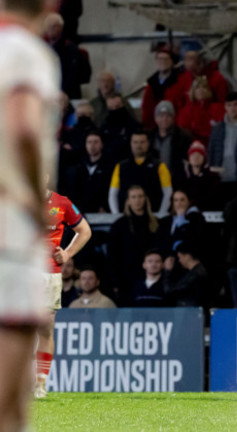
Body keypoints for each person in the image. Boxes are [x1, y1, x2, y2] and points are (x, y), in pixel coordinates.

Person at [0, 1, 61, 423]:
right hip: (9, 230)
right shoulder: (26, 51)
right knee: (10, 399)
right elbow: (23, 127)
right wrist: (31, 197)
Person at [35, 182, 92, 399]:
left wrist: (67, 254)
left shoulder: (62, 203)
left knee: (46, 328)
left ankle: (40, 383)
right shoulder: (16, 198)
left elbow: (84, 230)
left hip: (49, 273)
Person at [107, 186, 159, 304]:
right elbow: (112, 256)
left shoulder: (156, 223)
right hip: (126, 281)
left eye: (140, 196)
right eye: (133, 197)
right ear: (128, 201)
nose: (137, 200)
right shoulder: (119, 225)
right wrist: (115, 281)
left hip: (153, 278)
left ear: (145, 199)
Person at [108, 131, 173, 214]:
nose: (138, 145)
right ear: (131, 144)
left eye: (142, 142)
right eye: (135, 142)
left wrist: (161, 214)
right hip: (126, 216)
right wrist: (116, 214)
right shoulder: (121, 166)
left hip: (152, 215)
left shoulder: (160, 166)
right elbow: (113, 193)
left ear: (148, 143)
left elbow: (168, 192)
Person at [43, 12, 91, 99]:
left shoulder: (70, 49)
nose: (49, 29)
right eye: (47, 26)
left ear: (60, 28)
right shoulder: (42, 47)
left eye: (53, 26)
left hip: (67, 95)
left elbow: (72, 75)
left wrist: (59, 91)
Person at [65, 130, 113, 213]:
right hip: (80, 212)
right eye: (89, 142)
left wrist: (105, 207)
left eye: (96, 142)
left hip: (101, 212)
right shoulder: (78, 166)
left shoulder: (109, 167)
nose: (92, 145)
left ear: (102, 144)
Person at [149, 100, 193, 183]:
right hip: (154, 181)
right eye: (161, 116)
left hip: (176, 181)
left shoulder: (183, 136)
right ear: (155, 118)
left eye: (168, 115)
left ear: (173, 118)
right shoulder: (149, 136)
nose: (164, 119)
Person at [156, 189, 206, 260]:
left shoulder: (196, 218)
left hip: (189, 259)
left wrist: (181, 218)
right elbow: (160, 242)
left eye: (182, 200)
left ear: (189, 202)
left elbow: (194, 239)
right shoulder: (165, 221)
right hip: (168, 259)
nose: (179, 203)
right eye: (176, 200)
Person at [141, 49, 183, 131]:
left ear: (171, 61)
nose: (162, 61)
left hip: (174, 127)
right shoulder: (151, 84)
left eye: (165, 59)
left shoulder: (180, 81)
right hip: (155, 127)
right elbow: (147, 108)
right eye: (159, 59)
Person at [178, 76, 226, 144]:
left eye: (204, 87)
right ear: (193, 91)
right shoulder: (185, 111)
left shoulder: (218, 109)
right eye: (197, 87)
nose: (201, 90)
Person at [163, 242, 209, 307]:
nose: (179, 261)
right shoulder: (194, 272)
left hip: (191, 313)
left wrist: (168, 271)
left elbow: (170, 291)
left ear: (187, 256)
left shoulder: (197, 274)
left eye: (180, 257)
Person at [179, 141, 221, 211]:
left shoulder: (213, 177)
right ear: (188, 158)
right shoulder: (181, 176)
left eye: (199, 155)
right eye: (193, 155)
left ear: (204, 158)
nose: (195, 158)